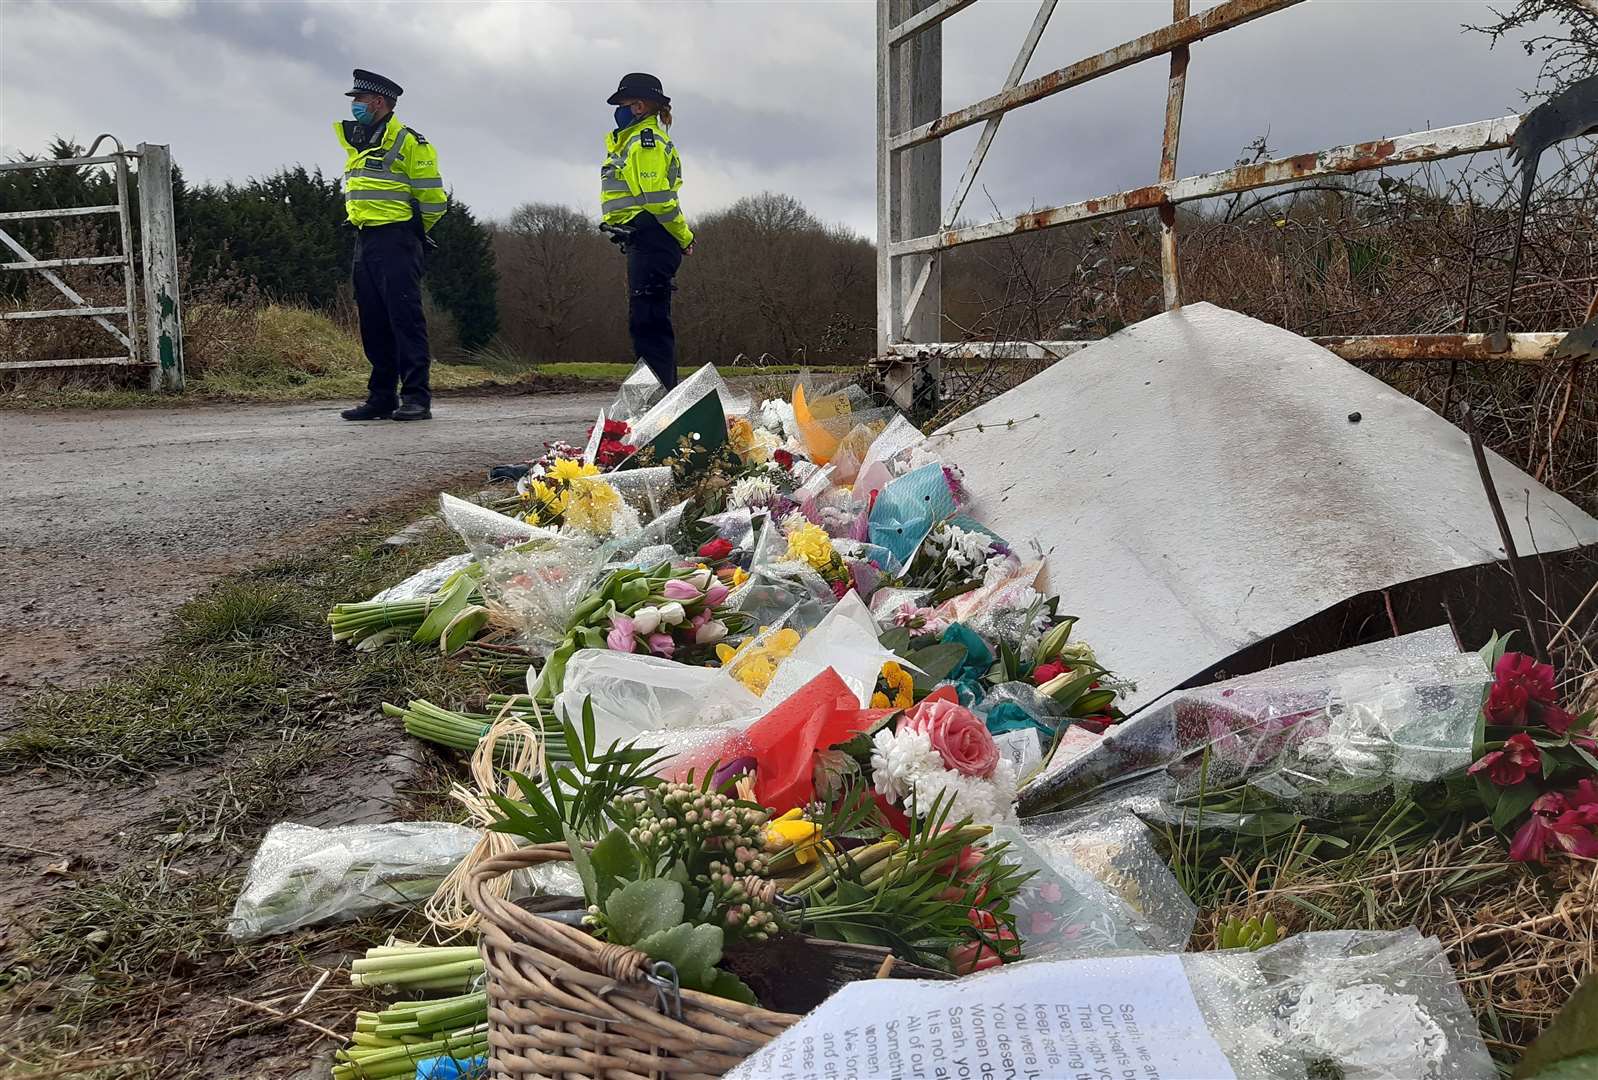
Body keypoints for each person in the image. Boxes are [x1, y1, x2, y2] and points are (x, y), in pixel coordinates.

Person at [336, 69, 448, 422]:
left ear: (379, 102)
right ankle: (381, 396)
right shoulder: (361, 141)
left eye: (359, 100)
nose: (355, 105)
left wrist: (413, 234)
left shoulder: (410, 142)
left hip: (397, 238)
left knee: (405, 320)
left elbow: (433, 199)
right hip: (364, 238)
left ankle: (416, 397)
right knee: (373, 322)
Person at [601, 73, 694, 390]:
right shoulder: (636, 141)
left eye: (623, 105)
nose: (619, 112)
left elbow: (656, 200)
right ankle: (658, 402)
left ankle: (661, 407)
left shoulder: (645, 142)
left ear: (638, 106)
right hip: (643, 238)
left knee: (650, 327)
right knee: (646, 326)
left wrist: (684, 237)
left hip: (652, 238)